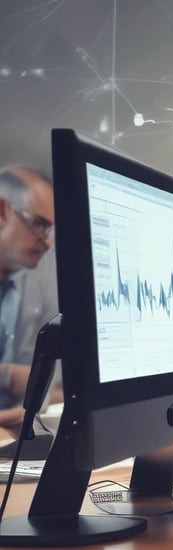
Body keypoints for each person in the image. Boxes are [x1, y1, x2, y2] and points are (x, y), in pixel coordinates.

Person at [0, 166, 58, 425]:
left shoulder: (26, 283)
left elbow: (56, 386)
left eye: (51, 229)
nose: (47, 242)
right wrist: (11, 376)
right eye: (39, 224)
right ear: (2, 211)